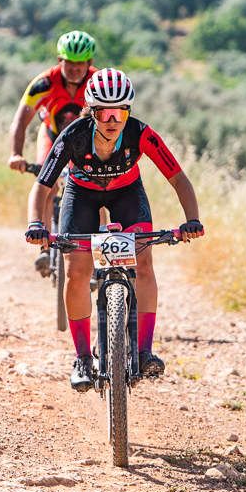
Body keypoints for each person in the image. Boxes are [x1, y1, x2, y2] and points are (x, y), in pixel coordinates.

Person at [24, 68, 205, 392]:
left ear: (128, 111)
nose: (113, 119)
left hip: (127, 194)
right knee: (77, 273)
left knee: (145, 265)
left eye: (120, 111)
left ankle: (145, 349)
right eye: (105, 112)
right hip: (82, 196)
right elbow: (42, 187)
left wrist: (192, 220)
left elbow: (178, 178)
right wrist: (37, 224)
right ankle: (82, 358)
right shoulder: (74, 136)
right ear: (92, 112)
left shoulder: (140, 133)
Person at [7, 30, 98, 275]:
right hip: (52, 136)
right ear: (60, 61)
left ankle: (102, 247)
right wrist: (16, 153)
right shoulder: (44, 83)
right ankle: (45, 249)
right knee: (48, 185)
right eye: (70, 63)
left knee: (99, 186)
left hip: (87, 142)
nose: (75, 69)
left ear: (89, 63)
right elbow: (21, 119)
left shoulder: (96, 81)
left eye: (80, 64)